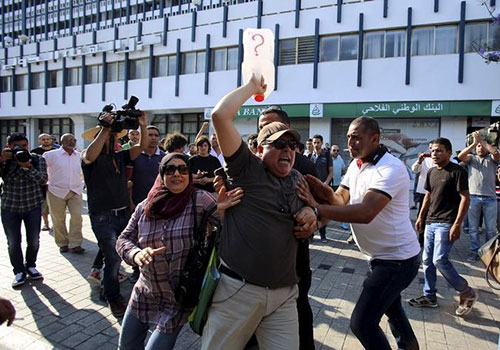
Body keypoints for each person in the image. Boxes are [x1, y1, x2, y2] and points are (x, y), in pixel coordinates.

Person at [201, 75, 317, 350]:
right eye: (278, 144)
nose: (287, 150)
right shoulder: (245, 169)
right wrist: (252, 88)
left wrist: (312, 213)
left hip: (284, 296)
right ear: (259, 149)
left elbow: (320, 208)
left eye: (291, 145)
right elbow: (220, 116)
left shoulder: (297, 177)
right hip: (239, 291)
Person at [298, 117, 421, 350]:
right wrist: (322, 190)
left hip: (398, 261)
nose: (350, 143)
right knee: (394, 314)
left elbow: (366, 212)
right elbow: (340, 200)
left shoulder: (391, 168)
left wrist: (316, 208)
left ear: (375, 139)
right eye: (348, 138)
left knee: (362, 323)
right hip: (377, 258)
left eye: (356, 137)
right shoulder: (356, 164)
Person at [116, 153, 242, 349]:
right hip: (144, 293)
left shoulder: (199, 200)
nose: (177, 174)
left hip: (177, 299)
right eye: (170, 169)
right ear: (162, 174)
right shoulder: (145, 207)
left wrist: (225, 213)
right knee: (126, 345)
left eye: (183, 169)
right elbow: (123, 239)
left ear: (189, 174)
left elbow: (233, 230)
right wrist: (136, 254)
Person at [257, 104, 317, 350]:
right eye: (261, 128)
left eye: (270, 126)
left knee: (299, 308)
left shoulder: (304, 166)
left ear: (287, 129)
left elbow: (325, 208)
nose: (266, 131)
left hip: (294, 257)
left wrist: (312, 213)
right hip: (255, 262)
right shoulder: (251, 165)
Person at [81, 112, 148, 318]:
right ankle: (112, 295)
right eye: (110, 137)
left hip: (123, 213)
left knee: (117, 256)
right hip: (102, 216)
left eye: (115, 137)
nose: (113, 140)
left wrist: (143, 126)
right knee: (112, 258)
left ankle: (106, 285)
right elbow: (90, 155)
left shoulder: (120, 155)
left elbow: (142, 147)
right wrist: (105, 129)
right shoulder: (88, 157)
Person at [409, 137, 478, 317]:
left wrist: (457, 224)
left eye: (439, 150)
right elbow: (428, 196)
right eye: (432, 150)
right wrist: (421, 217)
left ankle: (466, 291)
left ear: (448, 152)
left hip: (447, 223)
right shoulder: (431, 171)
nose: (435, 154)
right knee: (427, 261)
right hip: (431, 222)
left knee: (439, 260)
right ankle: (429, 296)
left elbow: (465, 198)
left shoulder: (457, 171)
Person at [0, 133, 48, 288]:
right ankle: (18, 271)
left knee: (33, 240)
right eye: (17, 146)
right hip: (10, 206)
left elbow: (43, 179)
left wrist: (28, 166)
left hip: (32, 205)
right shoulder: (5, 160)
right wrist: (1, 160)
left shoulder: (36, 159)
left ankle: (31, 265)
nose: (21, 149)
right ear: (9, 147)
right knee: (13, 242)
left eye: (24, 146)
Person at [457, 131, 499, 262]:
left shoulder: (492, 160)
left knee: (491, 230)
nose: (480, 148)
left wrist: (482, 141)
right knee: (473, 229)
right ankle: (474, 252)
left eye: (482, 147)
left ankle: (488, 253)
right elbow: (460, 155)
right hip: (473, 197)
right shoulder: (471, 159)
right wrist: (475, 143)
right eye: (478, 147)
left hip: (490, 199)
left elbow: (496, 153)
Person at [43, 134, 85, 254]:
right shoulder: (50, 155)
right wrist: (47, 185)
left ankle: (76, 243)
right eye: (68, 140)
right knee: (58, 219)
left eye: (73, 140)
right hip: (56, 191)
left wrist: (82, 183)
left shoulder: (79, 155)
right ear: (62, 142)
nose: (71, 142)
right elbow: (43, 171)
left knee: (77, 217)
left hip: (75, 190)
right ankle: (62, 243)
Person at [31, 133, 57, 231]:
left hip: (54, 181)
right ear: (39, 140)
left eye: (47, 139)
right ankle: (46, 224)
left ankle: (55, 224)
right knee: (44, 206)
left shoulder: (57, 152)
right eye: (43, 139)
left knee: (55, 206)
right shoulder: (34, 153)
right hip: (40, 183)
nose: (45, 141)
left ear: (51, 140)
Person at [310, 134, 333, 243]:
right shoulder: (310, 156)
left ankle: (323, 235)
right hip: (312, 190)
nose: (316, 145)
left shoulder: (327, 155)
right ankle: (310, 235)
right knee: (311, 211)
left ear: (322, 143)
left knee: (322, 212)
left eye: (318, 142)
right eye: (314, 142)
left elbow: (331, 172)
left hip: (323, 189)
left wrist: (325, 184)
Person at [411, 143, 434, 245]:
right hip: (424, 192)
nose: (433, 152)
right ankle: (421, 239)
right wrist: (419, 161)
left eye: (435, 149)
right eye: (431, 149)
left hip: (439, 193)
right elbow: (414, 170)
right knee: (422, 215)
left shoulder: (444, 160)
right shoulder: (424, 160)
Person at [330, 144, 350, 232]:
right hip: (329, 185)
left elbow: (343, 169)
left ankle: (343, 222)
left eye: (337, 150)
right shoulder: (328, 159)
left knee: (341, 204)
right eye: (334, 150)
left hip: (338, 185)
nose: (336, 152)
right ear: (331, 151)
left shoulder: (340, 159)